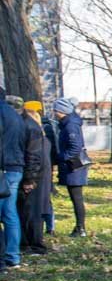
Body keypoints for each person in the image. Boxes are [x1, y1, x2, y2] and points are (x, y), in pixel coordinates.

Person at [1, 89, 41, 270]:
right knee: (10, 214)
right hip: (15, 168)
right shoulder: (18, 117)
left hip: (3, 169)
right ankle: (13, 256)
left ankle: (3, 259)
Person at [18, 100, 51, 255]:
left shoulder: (30, 128)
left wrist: (30, 178)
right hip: (40, 174)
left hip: (35, 175)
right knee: (31, 210)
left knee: (31, 210)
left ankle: (35, 244)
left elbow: (32, 155)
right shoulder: (37, 128)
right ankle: (30, 243)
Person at [52, 98, 88, 237]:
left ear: (62, 111)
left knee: (77, 198)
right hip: (72, 166)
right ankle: (80, 227)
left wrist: (60, 158)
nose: (54, 113)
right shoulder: (69, 123)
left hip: (74, 167)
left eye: (56, 110)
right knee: (76, 197)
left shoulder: (70, 126)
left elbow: (75, 147)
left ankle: (81, 228)